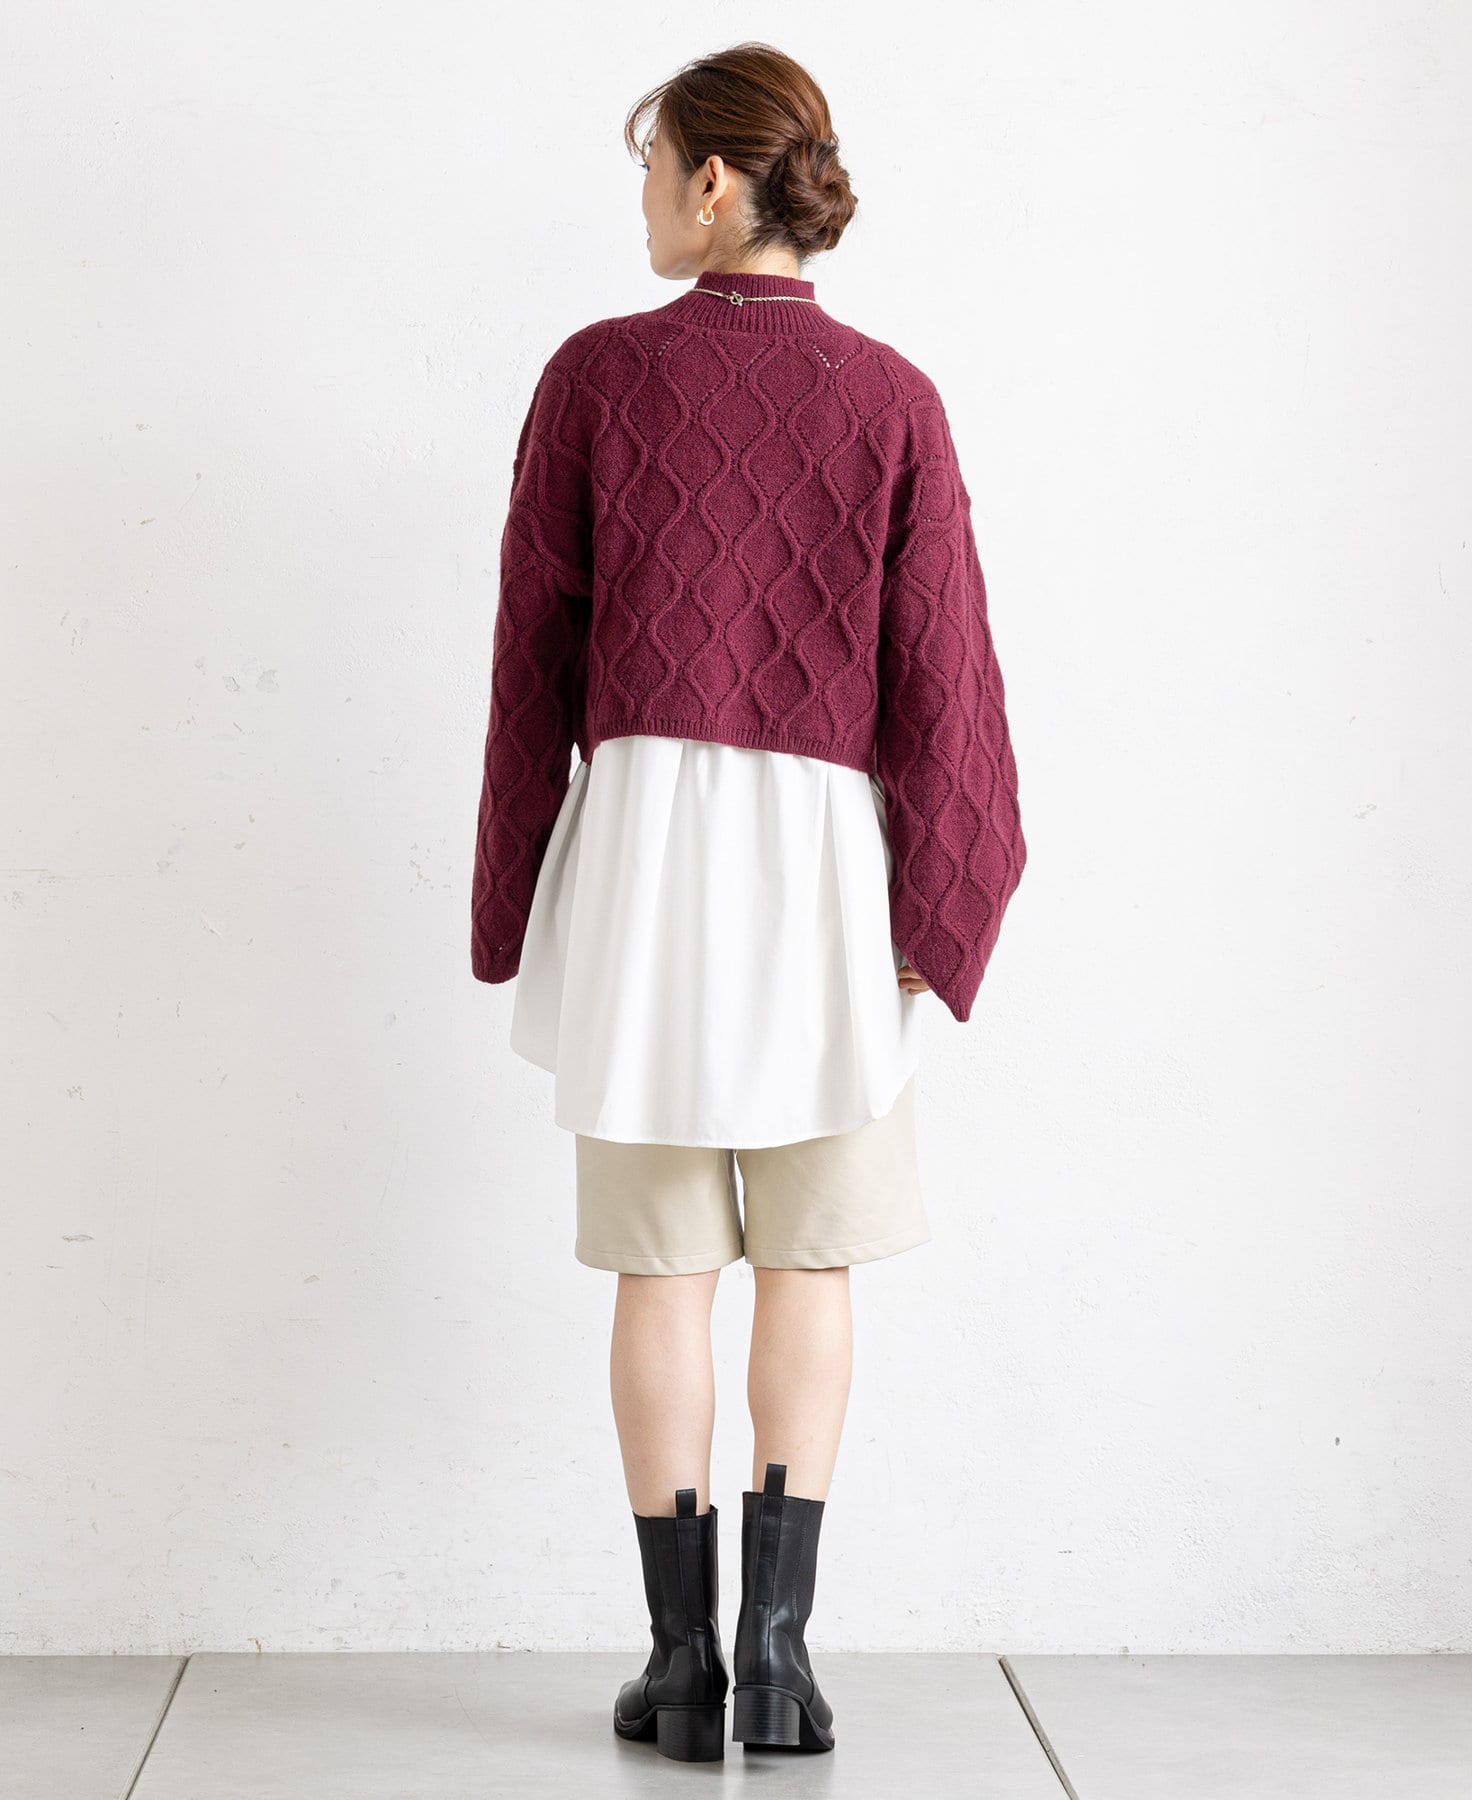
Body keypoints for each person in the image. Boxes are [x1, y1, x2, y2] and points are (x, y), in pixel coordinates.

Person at [470, 42, 1026, 1762]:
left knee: (661, 1273)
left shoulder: (595, 378)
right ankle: (779, 1662)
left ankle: (682, 1666)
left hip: (644, 869)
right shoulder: (895, 399)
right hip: (821, 878)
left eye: (652, 168)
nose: (644, 200)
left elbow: (532, 659)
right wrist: (938, 906)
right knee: (810, 1258)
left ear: (713, 182)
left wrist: (508, 892)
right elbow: (948, 683)